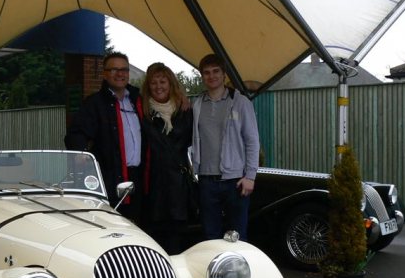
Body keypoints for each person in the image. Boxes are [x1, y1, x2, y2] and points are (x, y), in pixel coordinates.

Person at [64, 52, 144, 222]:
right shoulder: (94, 103)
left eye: (124, 69)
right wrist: (81, 153)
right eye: (114, 69)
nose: (120, 74)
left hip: (139, 177)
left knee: (138, 226)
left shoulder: (138, 100)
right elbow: (75, 134)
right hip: (112, 176)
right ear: (105, 74)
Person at [190, 53, 260, 241]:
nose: (211, 76)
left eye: (215, 71)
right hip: (206, 180)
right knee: (209, 235)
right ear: (202, 76)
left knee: (237, 236)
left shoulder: (240, 102)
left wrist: (250, 176)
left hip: (235, 181)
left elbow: (252, 140)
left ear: (224, 75)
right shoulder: (197, 104)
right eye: (206, 73)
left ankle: (239, 269)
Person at [139, 62, 193, 254]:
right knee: (155, 240)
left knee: (178, 242)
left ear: (171, 84)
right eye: (153, 82)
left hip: (178, 186)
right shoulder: (143, 112)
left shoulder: (185, 111)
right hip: (154, 186)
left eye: (163, 81)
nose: (158, 86)